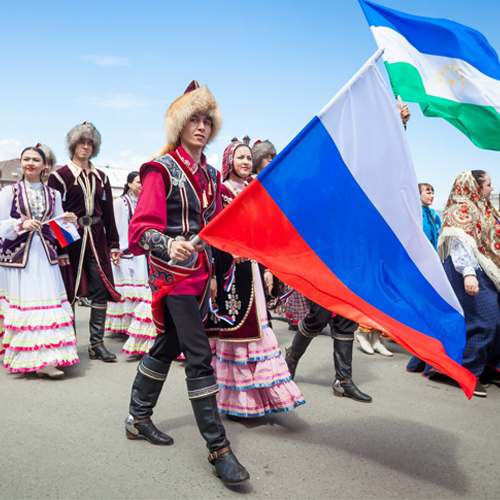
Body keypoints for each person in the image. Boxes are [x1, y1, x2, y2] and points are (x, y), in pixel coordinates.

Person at [124, 81, 249, 485]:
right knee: (198, 354)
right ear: (178, 125)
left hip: (200, 276)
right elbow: (141, 229)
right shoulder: (160, 170)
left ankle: (137, 416)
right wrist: (169, 243)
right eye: (193, 119)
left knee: (168, 343)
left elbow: (211, 231)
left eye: (206, 120)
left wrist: (211, 273)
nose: (200, 126)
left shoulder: (212, 175)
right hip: (171, 275)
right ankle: (218, 448)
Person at [206, 141, 305, 418]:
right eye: (241, 157)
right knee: (237, 335)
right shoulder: (220, 191)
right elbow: (214, 236)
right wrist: (214, 274)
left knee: (259, 330)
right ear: (229, 160)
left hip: (253, 269)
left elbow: (263, 235)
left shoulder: (254, 190)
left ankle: (261, 397)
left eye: (249, 158)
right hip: (230, 272)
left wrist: (269, 268)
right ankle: (238, 402)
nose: (246, 162)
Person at [409, 171, 500, 397]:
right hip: (466, 272)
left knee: (494, 321)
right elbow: (460, 243)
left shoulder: (485, 209)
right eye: (488, 185)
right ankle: (461, 371)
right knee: (485, 321)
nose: (491, 188)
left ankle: (487, 366)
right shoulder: (460, 209)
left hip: (485, 274)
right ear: (475, 186)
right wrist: (469, 274)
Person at [0, 147, 79, 377]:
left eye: (36, 159)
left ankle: (47, 359)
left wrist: (67, 220)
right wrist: (20, 225)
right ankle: (24, 353)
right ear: (21, 163)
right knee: (25, 302)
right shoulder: (9, 191)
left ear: (46, 165)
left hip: (45, 255)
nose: (30, 163)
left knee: (46, 301)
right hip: (18, 255)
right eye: (26, 159)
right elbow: (1, 222)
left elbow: (57, 227)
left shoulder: (53, 194)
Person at [48, 122, 121, 362]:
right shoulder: (60, 176)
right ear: (73, 145)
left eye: (90, 143)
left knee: (100, 288)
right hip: (70, 238)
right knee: (69, 290)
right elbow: (53, 213)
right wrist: (60, 248)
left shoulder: (102, 176)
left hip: (97, 237)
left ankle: (97, 343)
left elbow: (108, 212)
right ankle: (68, 342)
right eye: (81, 142)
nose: (86, 146)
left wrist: (114, 244)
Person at [104, 171, 157, 356]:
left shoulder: (143, 202)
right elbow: (117, 226)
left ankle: (134, 324)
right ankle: (124, 324)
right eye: (137, 182)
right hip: (125, 251)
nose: (141, 185)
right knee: (127, 289)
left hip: (141, 252)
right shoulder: (120, 202)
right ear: (129, 183)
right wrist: (116, 248)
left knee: (139, 287)